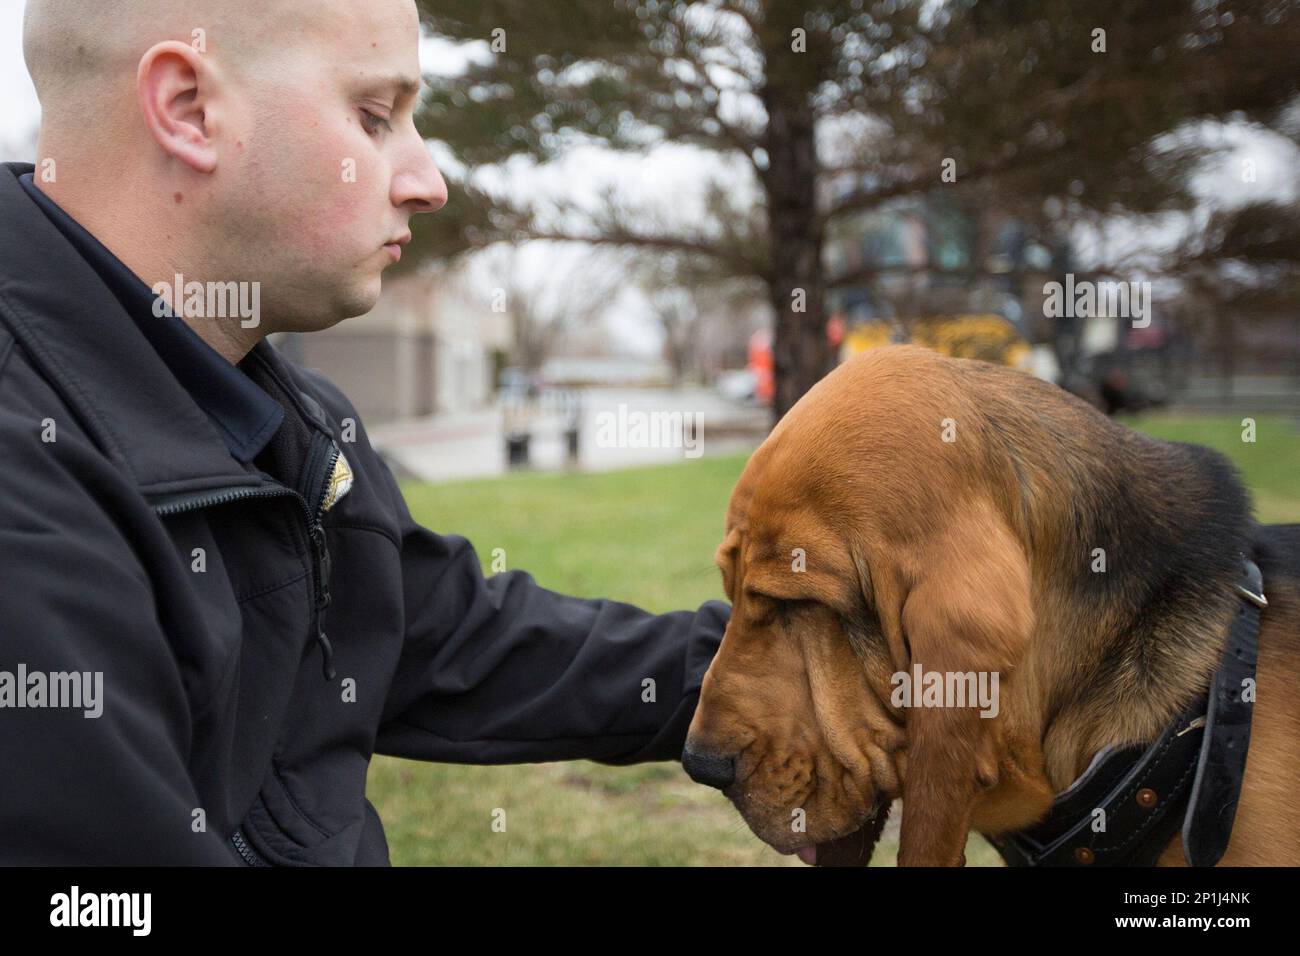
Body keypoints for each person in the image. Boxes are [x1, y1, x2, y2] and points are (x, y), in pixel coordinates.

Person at [0, 0, 729, 865]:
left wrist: (769, 673)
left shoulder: (284, 418)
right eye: (375, 118)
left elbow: (450, 637)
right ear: (189, 108)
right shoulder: (27, 489)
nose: (428, 181)